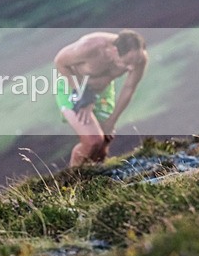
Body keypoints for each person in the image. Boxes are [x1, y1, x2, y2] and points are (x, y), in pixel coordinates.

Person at [54, 30, 148, 167]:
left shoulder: (138, 57)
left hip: (102, 90)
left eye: (137, 61)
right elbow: (60, 62)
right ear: (114, 51)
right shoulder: (90, 48)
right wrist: (84, 97)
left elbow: (129, 88)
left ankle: (94, 179)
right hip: (73, 86)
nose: (132, 67)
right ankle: (70, 180)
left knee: (104, 142)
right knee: (93, 141)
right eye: (127, 63)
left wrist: (112, 121)